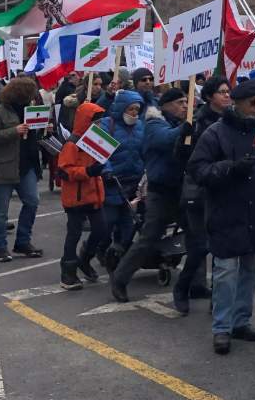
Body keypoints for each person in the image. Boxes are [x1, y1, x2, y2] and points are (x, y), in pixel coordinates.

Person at [188, 79, 255, 355]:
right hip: (226, 212)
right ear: (237, 104)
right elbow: (198, 169)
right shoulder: (215, 133)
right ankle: (221, 328)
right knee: (225, 272)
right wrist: (230, 169)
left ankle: (241, 321)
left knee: (251, 269)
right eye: (253, 103)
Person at [110, 87, 193, 301]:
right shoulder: (155, 124)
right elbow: (165, 139)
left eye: (186, 102)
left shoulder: (177, 124)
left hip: (181, 189)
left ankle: (197, 283)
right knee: (149, 238)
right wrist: (186, 127)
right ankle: (119, 279)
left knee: (196, 236)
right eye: (180, 102)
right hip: (160, 192)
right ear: (166, 105)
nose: (185, 106)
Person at [174, 78, 227, 314]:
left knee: (222, 247)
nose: (227, 95)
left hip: (223, 189)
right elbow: (180, 158)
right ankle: (182, 287)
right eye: (222, 92)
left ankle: (218, 299)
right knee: (199, 246)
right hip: (199, 190)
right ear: (209, 96)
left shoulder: (232, 120)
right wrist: (184, 141)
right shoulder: (196, 122)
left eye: (228, 91)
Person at [0, 77, 44, 262]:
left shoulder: (31, 111)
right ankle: (0, 246)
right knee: (1, 210)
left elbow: (32, 138)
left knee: (32, 201)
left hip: (26, 165)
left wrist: (44, 129)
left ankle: (23, 241)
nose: (33, 97)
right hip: (4, 165)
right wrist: (13, 131)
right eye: (30, 94)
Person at [56, 102, 109, 290]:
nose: (99, 125)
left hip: (94, 194)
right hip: (76, 197)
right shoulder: (72, 144)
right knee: (74, 234)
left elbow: (101, 163)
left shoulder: (97, 140)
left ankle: (85, 258)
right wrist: (88, 171)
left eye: (100, 121)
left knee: (101, 229)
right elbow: (64, 171)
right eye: (95, 121)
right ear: (86, 121)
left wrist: (104, 171)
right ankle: (68, 272)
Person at [96, 90, 146, 262]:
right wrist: (106, 170)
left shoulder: (140, 126)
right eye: (131, 109)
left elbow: (145, 150)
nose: (134, 113)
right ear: (121, 108)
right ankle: (99, 247)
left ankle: (118, 251)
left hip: (134, 181)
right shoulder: (106, 125)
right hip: (113, 181)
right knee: (109, 221)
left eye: (137, 109)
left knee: (128, 223)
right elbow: (100, 153)